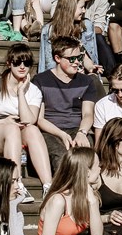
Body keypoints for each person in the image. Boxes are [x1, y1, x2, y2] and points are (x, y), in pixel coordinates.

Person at [0, 44, 50, 203]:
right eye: (17, 62)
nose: (22, 67)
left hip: (17, 135)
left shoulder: (33, 90)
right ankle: (17, 184)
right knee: (12, 128)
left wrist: (21, 93)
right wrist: (3, 122)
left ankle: (48, 185)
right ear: (9, 63)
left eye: (26, 63)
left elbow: (29, 120)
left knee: (33, 130)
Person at [33, 36, 102, 172]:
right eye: (71, 59)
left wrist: (82, 132)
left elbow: (88, 114)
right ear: (57, 58)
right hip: (50, 130)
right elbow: (39, 119)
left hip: (77, 128)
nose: (76, 62)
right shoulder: (40, 80)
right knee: (62, 157)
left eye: (79, 58)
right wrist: (60, 134)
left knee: (86, 156)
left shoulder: (86, 82)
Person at [39, 0, 113, 74]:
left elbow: (99, 27)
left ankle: (110, 74)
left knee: (98, 37)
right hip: (62, 34)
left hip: (85, 36)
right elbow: (56, 16)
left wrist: (80, 28)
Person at [38, 0, 99, 74]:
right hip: (59, 77)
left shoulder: (86, 26)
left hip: (82, 76)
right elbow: (47, 61)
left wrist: (92, 68)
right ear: (71, 8)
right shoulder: (49, 29)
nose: (84, 10)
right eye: (81, 7)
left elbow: (89, 55)